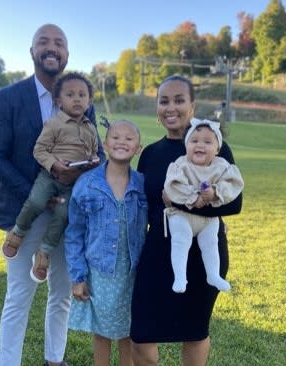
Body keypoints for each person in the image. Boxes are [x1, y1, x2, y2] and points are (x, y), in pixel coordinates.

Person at [0, 24, 104, 366]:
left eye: (59, 43)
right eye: (44, 43)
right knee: (19, 295)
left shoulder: (82, 99)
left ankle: (55, 360)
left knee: (62, 294)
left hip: (69, 213)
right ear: (32, 51)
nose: (52, 48)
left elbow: (96, 152)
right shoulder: (9, 97)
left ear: (67, 53)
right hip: (27, 207)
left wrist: (89, 172)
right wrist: (39, 196)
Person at [130, 75, 243, 366]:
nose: (171, 107)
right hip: (158, 251)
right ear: (156, 107)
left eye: (179, 100)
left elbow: (234, 202)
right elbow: (147, 206)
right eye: (164, 101)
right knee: (141, 333)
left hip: (205, 254)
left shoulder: (214, 146)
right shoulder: (151, 155)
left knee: (194, 332)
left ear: (191, 106)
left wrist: (180, 201)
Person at [1, 71, 100, 284]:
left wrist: (92, 162)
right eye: (70, 95)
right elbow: (39, 150)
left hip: (73, 184)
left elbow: (94, 152)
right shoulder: (54, 124)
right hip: (49, 176)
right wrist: (54, 163)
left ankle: (44, 252)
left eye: (82, 95)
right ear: (59, 101)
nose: (77, 99)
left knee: (64, 215)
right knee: (36, 201)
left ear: (89, 101)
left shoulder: (91, 128)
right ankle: (18, 231)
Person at [65, 120, 148, 366]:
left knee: (129, 331)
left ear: (138, 148)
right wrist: (77, 277)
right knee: (101, 330)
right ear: (105, 144)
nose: (122, 142)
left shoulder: (143, 184)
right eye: (116, 137)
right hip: (100, 271)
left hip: (133, 271)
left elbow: (167, 214)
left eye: (129, 138)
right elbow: (74, 233)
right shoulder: (87, 184)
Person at [163, 117, 244, 293]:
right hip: (182, 216)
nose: (200, 145)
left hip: (208, 220)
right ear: (186, 145)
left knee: (211, 242)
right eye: (194, 141)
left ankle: (213, 275)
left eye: (207, 142)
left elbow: (234, 184)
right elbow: (173, 186)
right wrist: (194, 198)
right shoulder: (181, 164)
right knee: (180, 239)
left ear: (217, 149)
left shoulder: (221, 165)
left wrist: (215, 193)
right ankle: (180, 277)